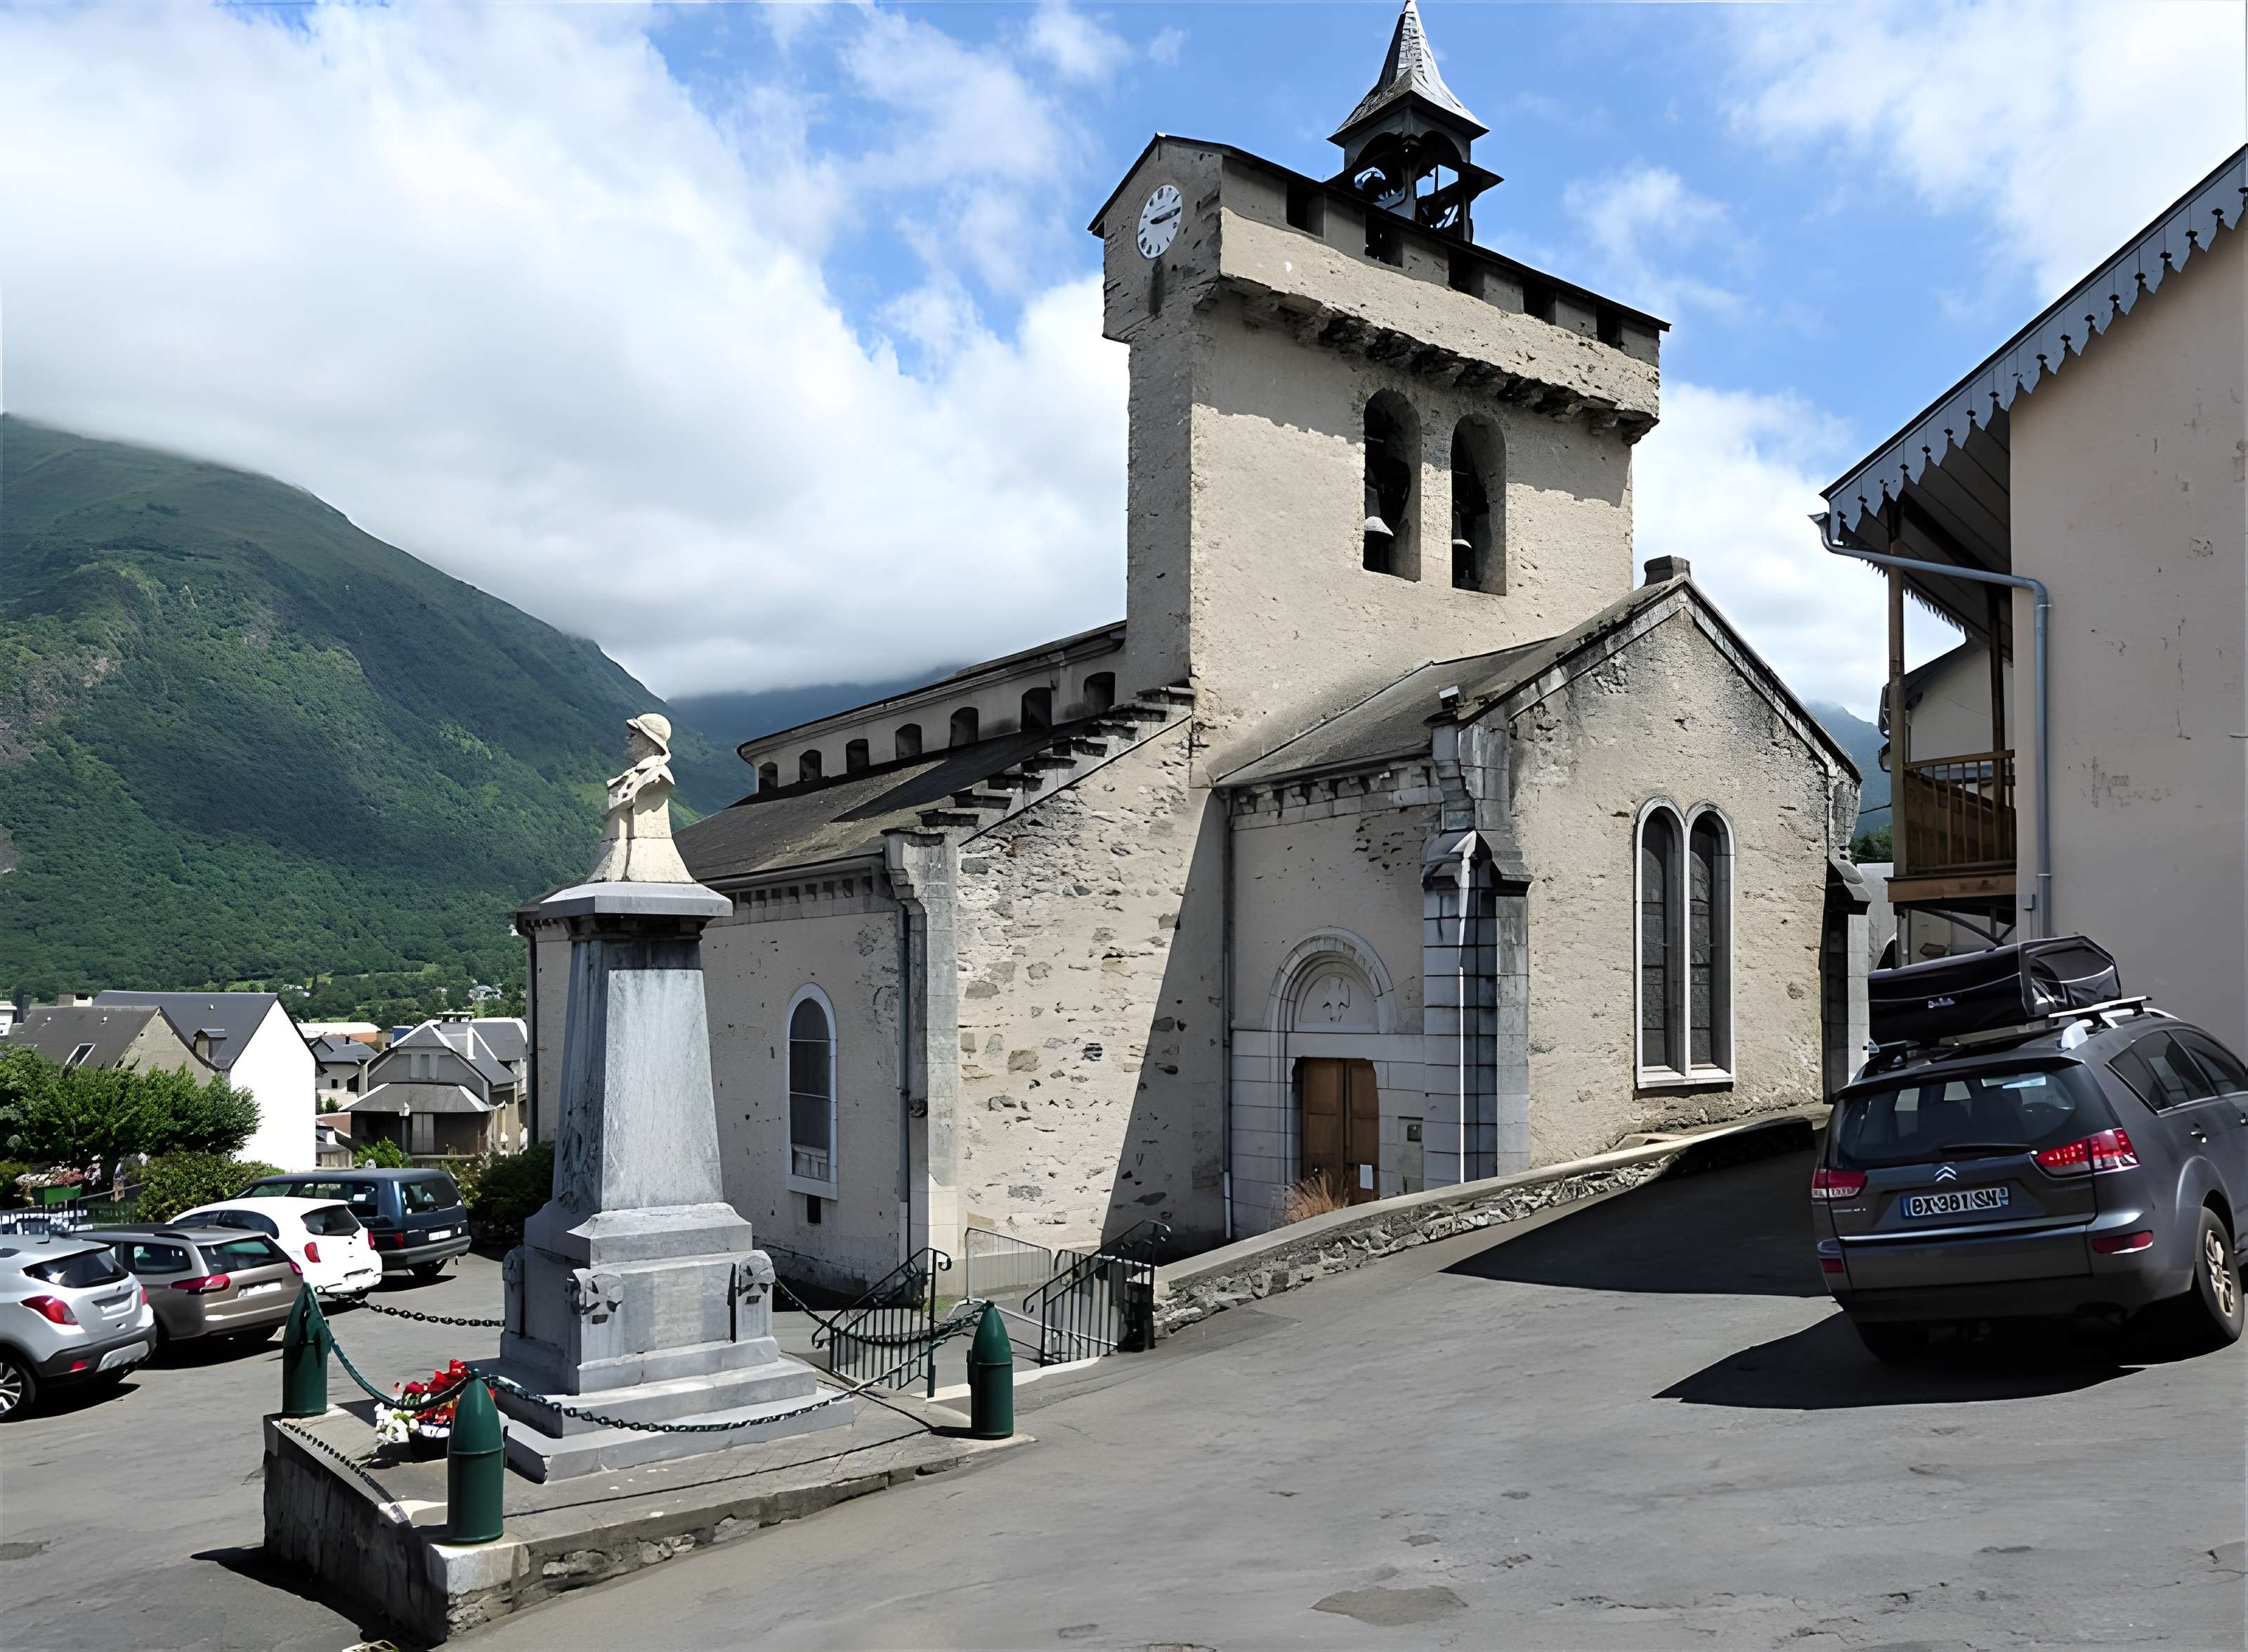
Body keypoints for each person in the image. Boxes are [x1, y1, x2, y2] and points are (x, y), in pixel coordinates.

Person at [586, 713, 695, 883]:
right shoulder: (632, 775)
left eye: (633, 735)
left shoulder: (659, 776)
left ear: (649, 740)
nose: (628, 739)